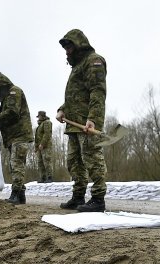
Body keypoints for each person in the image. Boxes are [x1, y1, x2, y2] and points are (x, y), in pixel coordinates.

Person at [56, 29, 108, 212]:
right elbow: (74, 97)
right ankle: (78, 196)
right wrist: (62, 110)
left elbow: (97, 91)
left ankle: (98, 198)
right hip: (73, 124)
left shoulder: (93, 61)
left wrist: (93, 119)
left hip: (87, 123)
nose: (67, 51)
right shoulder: (77, 67)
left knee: (92, 159)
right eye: (66, 48)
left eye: (69, 46)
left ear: (79, 44)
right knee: (74, 162)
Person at [0, 72, 33, 205]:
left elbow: (13, 112)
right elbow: (10, 118)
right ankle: (21, 195)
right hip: (14, 136)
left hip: (20, 135)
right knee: (15, 166)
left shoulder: (14, 92)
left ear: (1, 83)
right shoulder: (7, 96)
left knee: (16, 165)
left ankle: (16, 194)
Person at [34, 111, 54, 183]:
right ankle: (43, 177)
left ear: (42, 116)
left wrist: (42, 144)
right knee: (40, 162)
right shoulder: (39, 125)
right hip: (39, 147)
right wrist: (36, 147)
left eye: (39, 116)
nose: (38, 117)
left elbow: (47, 134)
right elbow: (37, 137)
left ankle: (50, 177)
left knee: (47, 161)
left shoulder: (47, 122)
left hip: (46, 146)